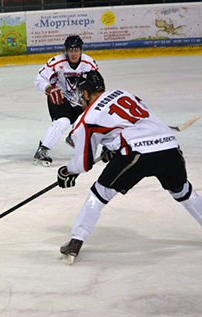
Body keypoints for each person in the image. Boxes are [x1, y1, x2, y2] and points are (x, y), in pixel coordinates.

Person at [57, 70, 202, 263]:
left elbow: (84, 163)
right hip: (169, 147)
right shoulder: (125, 94)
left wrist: (68, 171)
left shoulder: (87, 118)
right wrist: (113, 146)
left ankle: (76, 242)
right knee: (183, 191)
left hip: (136, 153)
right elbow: (136, 121)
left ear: (85, 93)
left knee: (99, 194)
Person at [33, 35, 98, 166]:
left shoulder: (89, 64)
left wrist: (89, 101)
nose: (73, 54)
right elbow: (39, 79)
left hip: (79, 99)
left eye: (76, 50)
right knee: (62, 121)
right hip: (58, 96)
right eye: (70, 50)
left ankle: (73, 137)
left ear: (81, 50)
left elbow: (95, 85)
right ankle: (42, 150)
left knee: (90, 120)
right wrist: (49, 89)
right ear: (66, 51)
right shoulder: (56, 62)